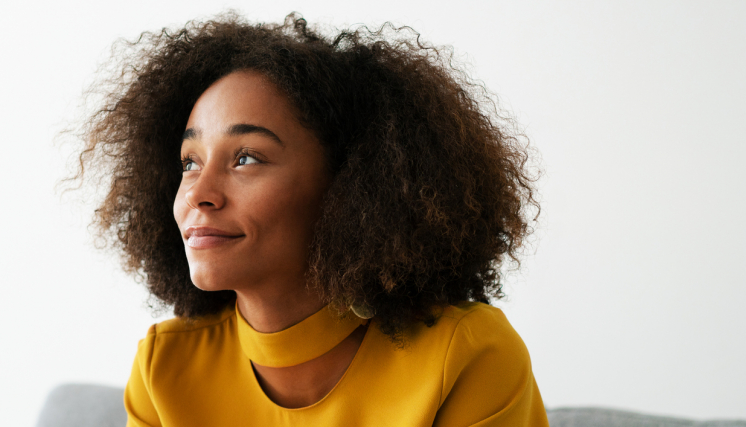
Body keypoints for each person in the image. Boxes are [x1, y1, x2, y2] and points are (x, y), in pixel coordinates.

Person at [72, 12, 545, 426]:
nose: (198, 193)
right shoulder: (164, 367)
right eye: (189, 162)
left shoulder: (466, 356)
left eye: (246, 158)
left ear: (351, 186)